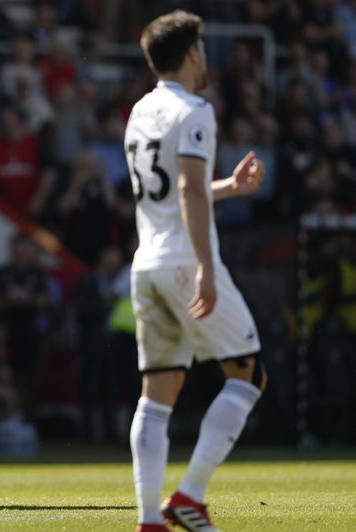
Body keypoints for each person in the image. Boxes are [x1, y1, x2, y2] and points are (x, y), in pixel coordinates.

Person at [125, 11, 268, 532]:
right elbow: (185, 191)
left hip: (147, 264)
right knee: (248, 373)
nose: (205, 58)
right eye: (203, 50)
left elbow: (168, 195)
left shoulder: (140, 110)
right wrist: (208, 268)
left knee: (157, 391)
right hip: (186, 260)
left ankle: (148, 520)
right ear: (191, 53)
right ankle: (190, 495)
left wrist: (227, 187)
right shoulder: (196, 110)